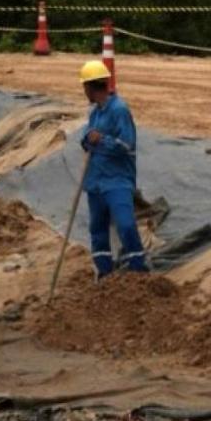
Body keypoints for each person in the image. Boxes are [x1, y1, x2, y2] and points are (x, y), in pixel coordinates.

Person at [79, 60, 149, 278]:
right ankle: (105, 274)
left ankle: (138, 272)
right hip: (96, 182)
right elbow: (86, 139)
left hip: (117, 180)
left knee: (126, 225)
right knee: (98, 231)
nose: (84, 91)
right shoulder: (95, 113)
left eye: (84, 87)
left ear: (91, 86)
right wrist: (88, 139)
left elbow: (127, 146)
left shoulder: (119, 110)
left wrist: (103, 140)